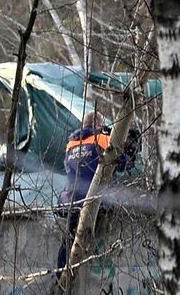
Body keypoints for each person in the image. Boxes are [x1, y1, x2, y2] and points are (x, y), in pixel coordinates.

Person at [56, 112, 143, 270]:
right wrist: (131, 151)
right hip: (98, 200)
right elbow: (124, 164)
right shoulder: (102, 139)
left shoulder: (71, 145)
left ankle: (60, 276)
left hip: (72, 199)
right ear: (97, 125)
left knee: (69, 239)